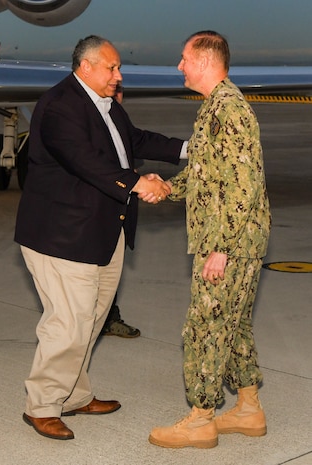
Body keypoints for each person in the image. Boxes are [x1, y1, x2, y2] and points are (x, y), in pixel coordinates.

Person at [15, 35, 186, 440]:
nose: (118, 75)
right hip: (62, 236)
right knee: (68, 324)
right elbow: (84, 161)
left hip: (102, 232)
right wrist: (137, 183)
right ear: (86, 66)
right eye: (111, 68)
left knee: (90, 321)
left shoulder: (104, 105)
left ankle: (72, 395)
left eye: (118, 67)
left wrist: (188, 149)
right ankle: (41, 405)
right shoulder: (59, 106)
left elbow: (136, 140)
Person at [148, 31, 271, 449]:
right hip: (234, 239)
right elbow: (210, 177)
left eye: (184, 58)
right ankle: (249, 408)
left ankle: (201, 419)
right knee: (233, 326)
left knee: (204, 327)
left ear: (204, 60)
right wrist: (166, 187)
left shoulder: (228, 109)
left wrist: (221, 248)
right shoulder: (215, 107)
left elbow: (244, 187)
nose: (179, 66)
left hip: (230, 242)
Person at [101, 81, 141, 338]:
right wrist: (136, 182)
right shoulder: (89, 121)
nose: (117, 96)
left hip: (115, 216)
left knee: (107, 275)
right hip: (93, 217)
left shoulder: (117, 121)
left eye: (120, 90)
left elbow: (140, 141)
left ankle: (107, 318)